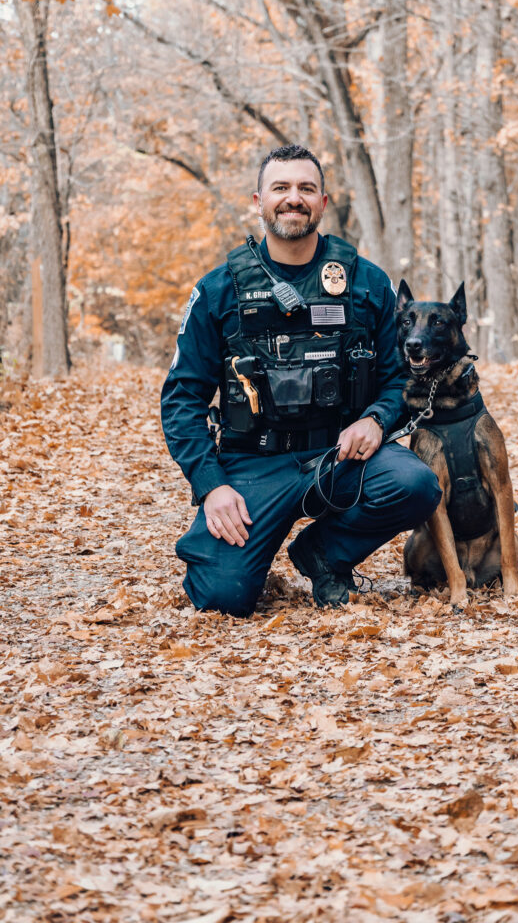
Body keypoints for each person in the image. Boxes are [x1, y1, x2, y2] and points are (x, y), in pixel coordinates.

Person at [161, 144, 441, 617]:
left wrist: (375, 420)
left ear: (324, 203)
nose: (294, 198)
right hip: (253, 464)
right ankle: (238, 558)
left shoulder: (367, 283)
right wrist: (211, 485)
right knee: (222, 598)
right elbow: (181, 398)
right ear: (258, 201)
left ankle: (323, 554)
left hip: (339, 456)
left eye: (306, 188)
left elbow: (399, 380)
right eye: (281, 188)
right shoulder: (218, 289)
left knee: (415, 485)